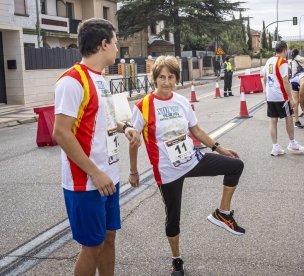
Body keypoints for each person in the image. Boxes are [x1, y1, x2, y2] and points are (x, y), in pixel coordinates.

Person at [129, 55, 245, 276]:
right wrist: (133, 171)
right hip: (168, 171)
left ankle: (223, 213)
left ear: (176, 79)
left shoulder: (182, 102)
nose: (166, 82)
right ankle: (176, 260)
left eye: (171, 77)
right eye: (161, 77)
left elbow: (196, 130)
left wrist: (220, 148)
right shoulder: (143, 106)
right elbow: (134, 141)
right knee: (173, 218)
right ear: (154, 79)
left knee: (235, 165)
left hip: (191, 160)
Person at [53, 18, 140, 276]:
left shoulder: (101, 79)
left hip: (109, 176)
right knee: (91, 247)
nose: (117, 48)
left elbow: (106, 119)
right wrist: (94, 172)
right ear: (104, 44)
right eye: (115, 43)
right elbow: (60, 132)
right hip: (87, 181)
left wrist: (126, 128)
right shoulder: (72, 81)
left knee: (109, 238)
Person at [263, 41, 304, 156]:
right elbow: (285, 81)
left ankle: (275, 147)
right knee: (288, 117)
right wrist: (291, 98)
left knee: (273, 120)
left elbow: (265, 78)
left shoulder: (268, 61)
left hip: (270, 95)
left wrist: (267, 92)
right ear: (285, 50)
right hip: (280, 96)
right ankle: (292, 143)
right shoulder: (282, 62)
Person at [288, 49, 304, 128]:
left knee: (295, 101)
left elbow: (290, 72)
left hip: (294, 81)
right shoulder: (302, 60)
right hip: (302, 80)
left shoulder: (291, 61)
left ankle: (296, 121)